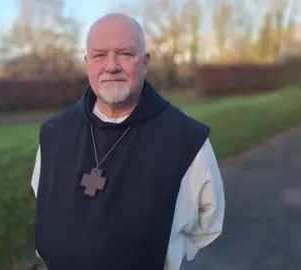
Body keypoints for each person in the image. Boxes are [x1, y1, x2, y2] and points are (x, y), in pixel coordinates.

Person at [30, 12, 225, 270]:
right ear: (88, 62)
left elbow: (206, 224)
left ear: (145, 62)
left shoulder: (186, 140)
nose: (111, 66)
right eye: (100, 55)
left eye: (125, 54)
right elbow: (42, 196)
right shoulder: (54, 133)